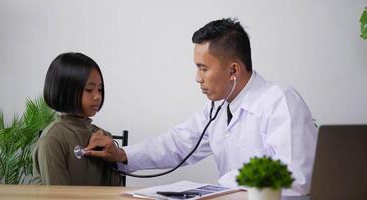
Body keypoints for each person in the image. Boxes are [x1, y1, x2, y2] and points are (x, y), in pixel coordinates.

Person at [85, 18, 317, 196]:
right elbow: (177, 144)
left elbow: (297, 177)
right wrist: (122, 154)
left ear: (234, 70)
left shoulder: (280, 100)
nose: (198, 78)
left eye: (203, 68)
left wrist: (222, 185)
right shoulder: (218, 107)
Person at [32, 52, 123, 186]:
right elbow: (58, 196)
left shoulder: (104, 138)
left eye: (100, 89)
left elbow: (116, 192)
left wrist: (116, 157)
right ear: (65, 90)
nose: (97, 96)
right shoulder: (52, 140)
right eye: (89, 89)